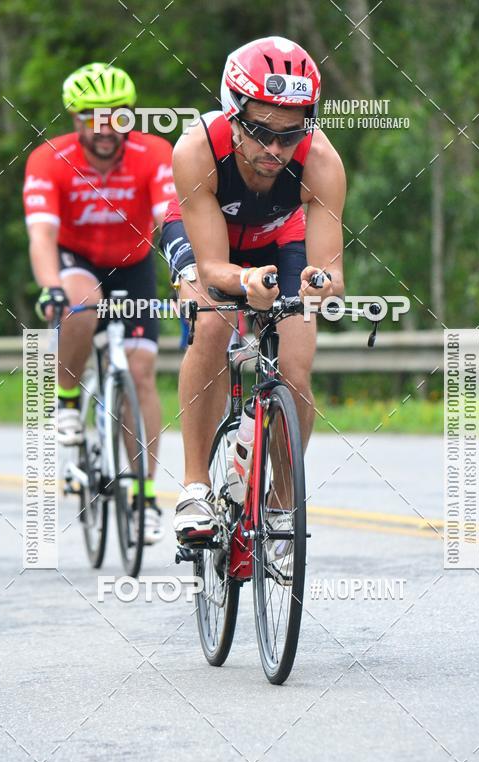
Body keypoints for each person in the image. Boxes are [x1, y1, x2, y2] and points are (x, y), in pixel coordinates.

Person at [160, 36, 345, 557]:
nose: (274, 151)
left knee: (296, 365)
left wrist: (318, 285)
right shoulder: (196, 149)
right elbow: (216, 266)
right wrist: (243, 284)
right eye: (261, 132)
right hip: (207, 237)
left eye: (290, 135)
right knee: (213, 321)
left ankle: (282, 506)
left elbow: (330, 270)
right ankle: (196, 488)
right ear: (232, 113)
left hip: (279, 236)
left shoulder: (322, 162)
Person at [23, 62, 177, 543]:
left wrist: (186, 272)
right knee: (81, 302)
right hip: (77, 257)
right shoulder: (49, 159)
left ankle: (145, 493)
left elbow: (169, 218)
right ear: (75, 120)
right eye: (93, 117)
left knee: (141, 373)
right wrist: (50, 284)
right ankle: (67, 399)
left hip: (132, 265)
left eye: (117, 117)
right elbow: (42, 233)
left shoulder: (154, 154)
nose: (106, 128)